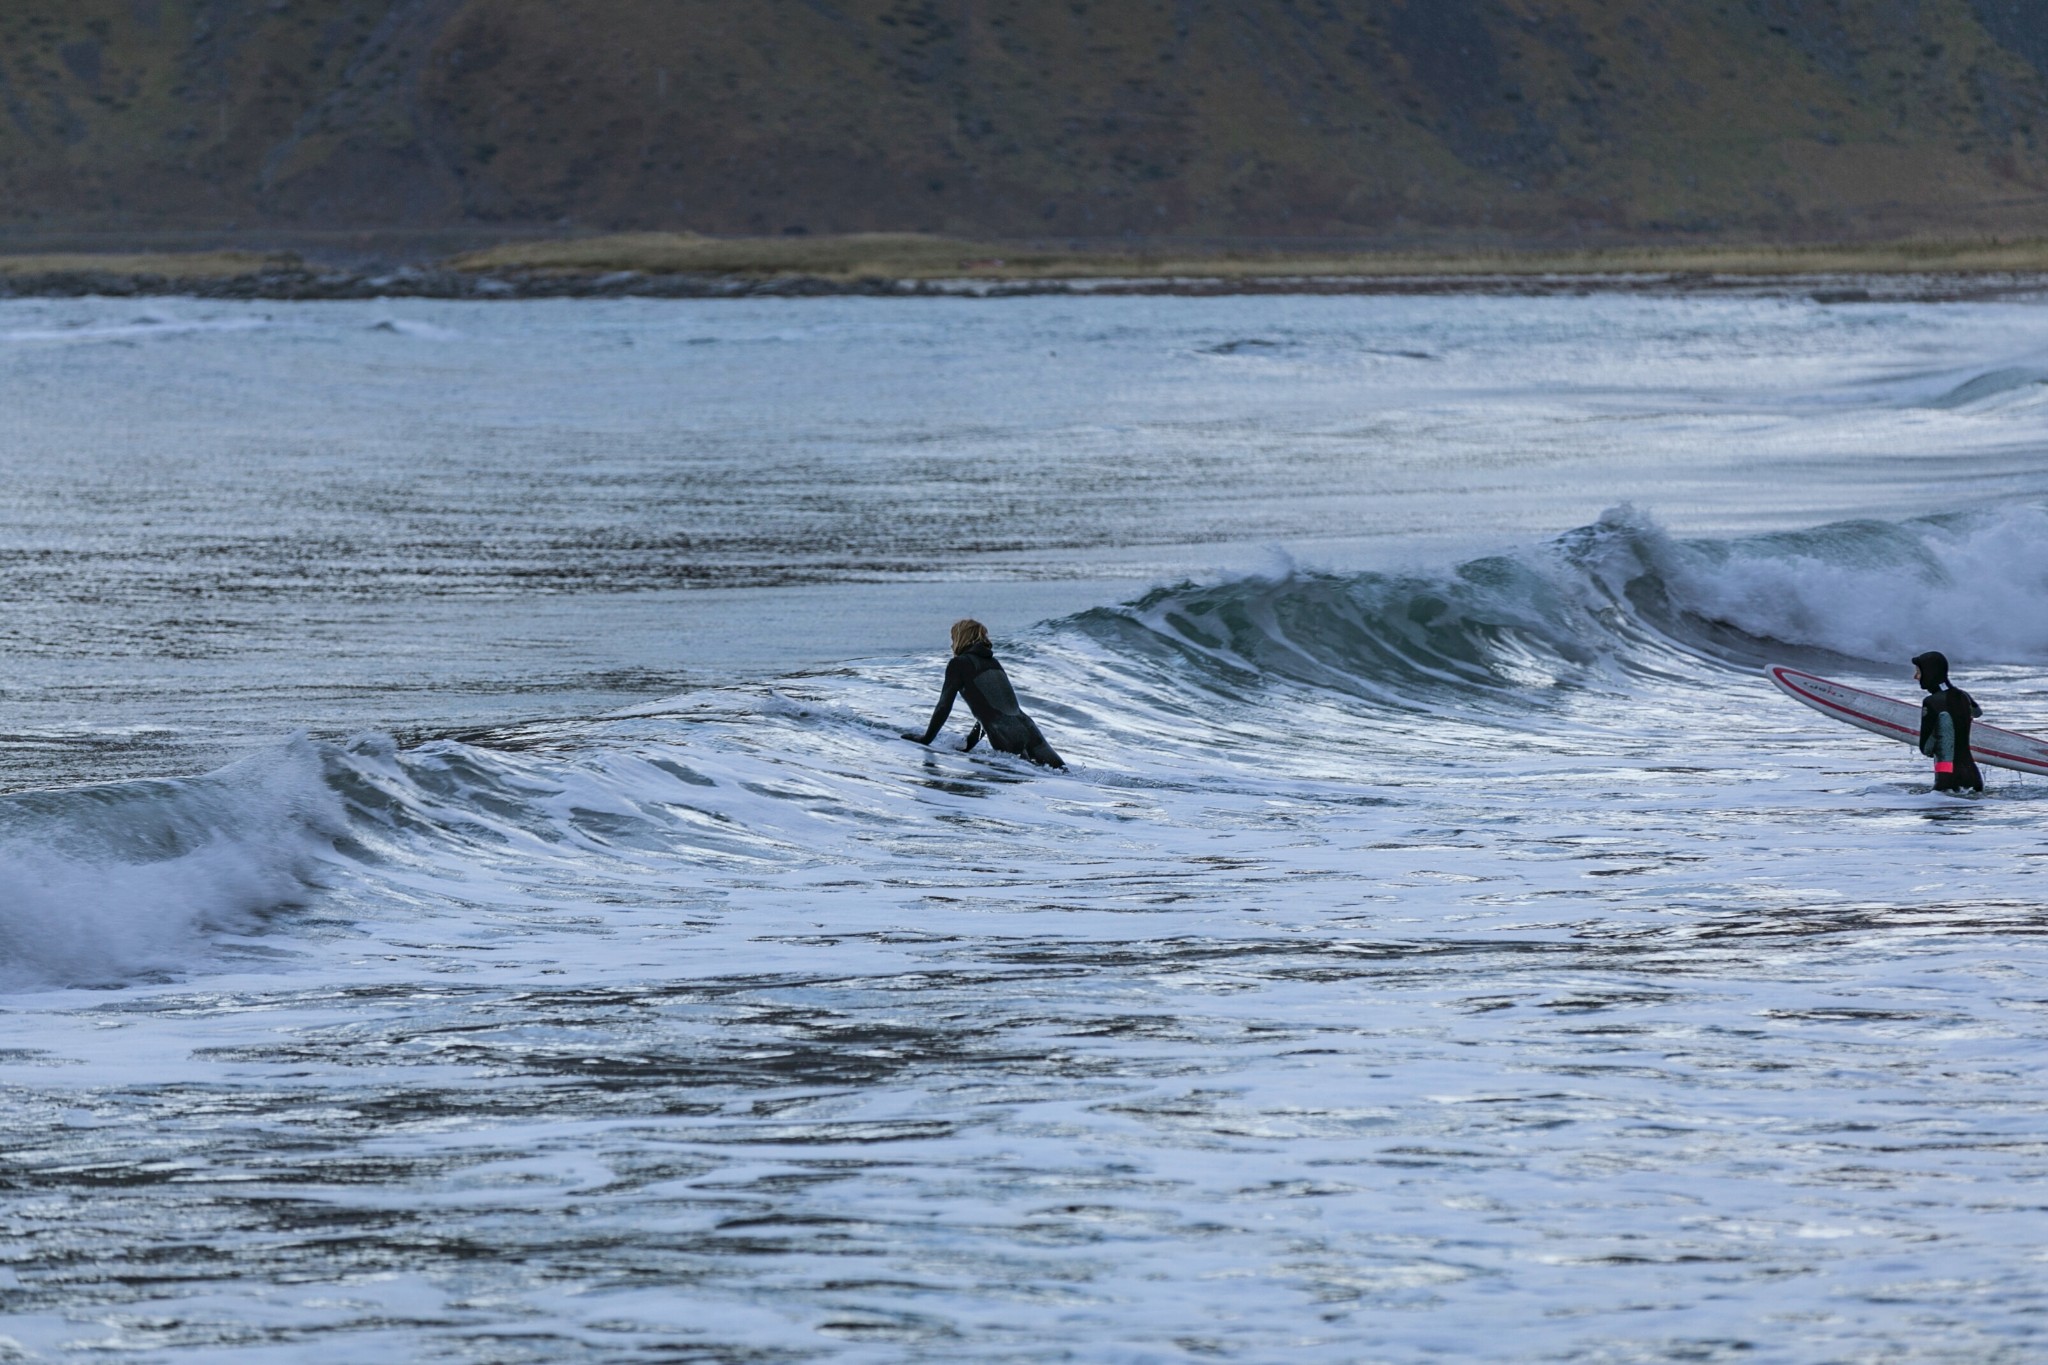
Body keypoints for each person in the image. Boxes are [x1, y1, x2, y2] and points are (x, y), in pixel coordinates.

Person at [902, 618, 1065, 768]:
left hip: (1003, 732)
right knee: (1061, 774)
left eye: (953, 640)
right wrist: (969, 744)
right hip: (1029, 728)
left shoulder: (958, 664)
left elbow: (944, 706)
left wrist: (926, 739)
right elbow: (988, 709)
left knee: (1021, 783)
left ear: (961, 639)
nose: (952, 645)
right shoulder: (993, 662)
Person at [1912, 650, 1984, 793]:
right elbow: (1977, 713)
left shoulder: (1931, 702)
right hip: (1973, 774)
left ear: (1929, 673)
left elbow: (1926, 748)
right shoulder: (1964, 695)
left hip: (1947, 776)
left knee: (1938, 813)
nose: (1915, 677)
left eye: (1919, 672)